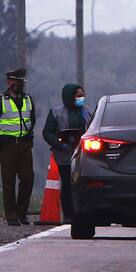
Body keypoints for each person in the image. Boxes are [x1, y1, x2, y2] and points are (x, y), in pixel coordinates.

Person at [43, 84, 93, 223]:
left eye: (82, 95)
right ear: (70, 96)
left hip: (84, 155)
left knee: (83, 183)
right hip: (64, 156)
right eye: (78, 95)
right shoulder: (57, 112)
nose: (81, 98)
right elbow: (47, 132)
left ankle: (83, 212)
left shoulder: (88, 112)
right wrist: (59, 144)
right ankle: (68, 214)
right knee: (67, 184)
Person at [0, 68, 35, 226]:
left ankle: (22, 212)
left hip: (25, 145)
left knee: (28, 179)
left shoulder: (28, 99)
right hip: (7, 146)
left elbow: (32, 120)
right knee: (8, 182)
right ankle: (11, 215)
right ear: (9, 82)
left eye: (20, 81)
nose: (17, 84)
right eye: (14, 81)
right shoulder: (2, 100)